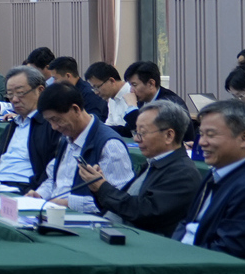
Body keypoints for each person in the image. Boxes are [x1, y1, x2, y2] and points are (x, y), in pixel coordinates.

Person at [174, 99, 245, 265]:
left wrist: (176, 257)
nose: (202, 142)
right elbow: (187, 223)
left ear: (244, 138)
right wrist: (173, 249)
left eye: (211, 135)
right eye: (201, 134)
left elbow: (226, 257)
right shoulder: (216, 173)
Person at [76, 101, 202, 237]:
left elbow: (143, 213)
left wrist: (102, 188)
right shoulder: (152, 163)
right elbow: (125, 207)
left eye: (142, 133)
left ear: (169, 136)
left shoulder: (183, 173)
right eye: (136, 132)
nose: (136, 139)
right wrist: (97, 188)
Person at [26, 83, 134, 215]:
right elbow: (56, 181)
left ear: (76, 109)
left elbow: (120, 201)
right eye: (49, 121)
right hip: (56, 213)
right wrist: (40, 195)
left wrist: (68, 203)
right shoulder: (66, 138)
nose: (54, 127)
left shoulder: (109, 145)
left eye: (56, 119)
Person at [0, 67, 64, 192]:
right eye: (10, 94)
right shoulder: (12, 125)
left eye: (20, 93)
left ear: (40, 90)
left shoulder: (52, 125)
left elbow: (52, 170)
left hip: (25, 189)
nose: (14, 99)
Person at [82, 61, 139, 132]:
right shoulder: (111, 98)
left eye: (97, 87)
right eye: (93, 89)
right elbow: (110, 124)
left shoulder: (133, 92)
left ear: (111, 81)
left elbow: (133, 129)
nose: (96, 92)